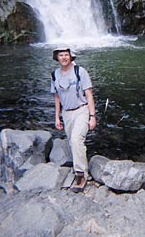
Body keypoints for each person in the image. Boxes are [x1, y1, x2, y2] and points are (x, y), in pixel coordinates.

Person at [50, 46, 96, 192]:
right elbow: (57, 96)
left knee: (76, 140)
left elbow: (89, 94)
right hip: (67, 113)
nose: (64, 57)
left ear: (71, 57)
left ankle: (80, 175)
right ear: (57, 58)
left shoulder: (80, 71)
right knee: (73, 142)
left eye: (66, 55)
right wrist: (57, 117)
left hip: (82, 110)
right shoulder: (54, 75)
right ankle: (81, 167)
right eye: (61, 55)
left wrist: (92, 116)